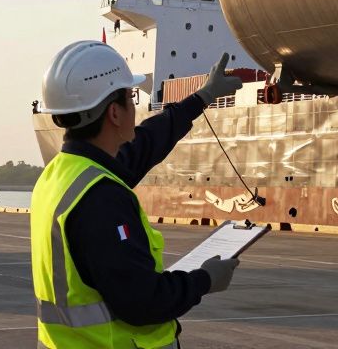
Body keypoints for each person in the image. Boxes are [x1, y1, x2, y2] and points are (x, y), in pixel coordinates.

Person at [32, 41, 243, 348]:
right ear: (115, 113)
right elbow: (142, 302)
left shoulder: (61, 175)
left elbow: (146, 143)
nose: (137, 106)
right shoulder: (101, 198)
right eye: (132, 98)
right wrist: (205, 280)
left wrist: (203, 97)